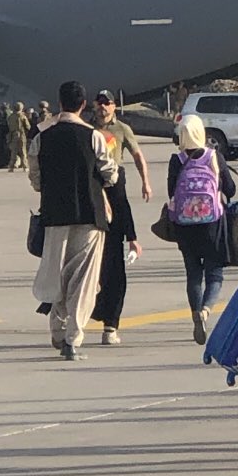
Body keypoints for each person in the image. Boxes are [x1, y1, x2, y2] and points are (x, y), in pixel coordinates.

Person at [27, 81, 118, 361]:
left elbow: (35, 178)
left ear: (59, 102)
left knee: (58, 273)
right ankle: (72, 339)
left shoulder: (42, 137)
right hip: (90, 215)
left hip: (54, 215)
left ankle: (57, 329)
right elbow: (110, 173)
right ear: (83, 104)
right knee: (84, 280)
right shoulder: (93, 136)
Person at [168, 115, 238, 343]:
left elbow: (171, 191)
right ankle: (206, 310)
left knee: (193, 274)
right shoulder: (214, 156)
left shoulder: (177, 159)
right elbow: (231, 189)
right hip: (212, 224)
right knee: (214, 274)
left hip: (184, 226)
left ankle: (195, 312)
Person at [89, 91, 151, 345]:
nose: (103, 107)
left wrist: (145, 182)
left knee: (114, 265)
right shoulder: (86, 128)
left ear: (114, 106)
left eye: (108, 103)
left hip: (115, 185)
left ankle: (110, 325)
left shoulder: (122, 129)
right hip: (91, 187)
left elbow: (137, 156)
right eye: (100, 103)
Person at [8, 102, 32, 170]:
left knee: (13, 152)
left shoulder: (10, 117)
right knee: (23, 151)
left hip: (13, 135)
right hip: (21, 134)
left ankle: (11, 166)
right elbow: (28, 127)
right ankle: (25, 166)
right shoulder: (22, 116)